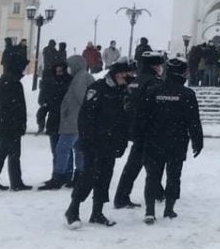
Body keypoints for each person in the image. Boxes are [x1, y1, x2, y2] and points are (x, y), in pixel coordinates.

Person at [65, 59, 134, 228]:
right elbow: (85, 118)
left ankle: (97, 212)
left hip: (111, 144)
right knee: (88, 177)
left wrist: (122, 142)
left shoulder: (123, 92)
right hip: (94, 143)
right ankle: (73, 210)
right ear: (118, 74)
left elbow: (125, 120)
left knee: (105, 177)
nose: (130, 78)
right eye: (127, 75)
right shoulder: (98, 89)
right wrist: (87, 140)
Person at [136, 58, 203, 224]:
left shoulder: (153, 91)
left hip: (154, 140)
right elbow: (193, 121)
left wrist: (140, 138)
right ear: (181, 73)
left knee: (152, 176)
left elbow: (142, 117)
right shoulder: (187, 94)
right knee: (174, 176)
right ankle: (169, 208)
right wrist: (197, 141)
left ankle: (150, 210)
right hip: (177, 142)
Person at [114, 51, 165, 209]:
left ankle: (157, 191)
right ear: (155, 66)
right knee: (144, 162)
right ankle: (123, 197)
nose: (161, 68)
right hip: (148, 128)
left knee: (140, 161)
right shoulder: (154, 83)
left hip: (134, 127)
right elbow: (156, 108)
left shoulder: (135, 80)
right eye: (159, 65)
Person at [38, 55, 94, 190]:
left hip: (73, 122)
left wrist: (72, 112)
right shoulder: (83, 76)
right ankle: (79, 176)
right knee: (78, 149)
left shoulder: (80, 78)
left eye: (70, 65)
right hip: (76, 121)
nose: (68, 69)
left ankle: (59, 177)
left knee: (62, 149)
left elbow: (83, 100)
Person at [0, 55, 31, 191]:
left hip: (6, 124)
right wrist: (19, 123)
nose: (24, 70)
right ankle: (15, 182)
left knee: (3, 152)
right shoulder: (12, 82)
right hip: (11, 125)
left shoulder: (6, 80)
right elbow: (14, 107)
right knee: (13, 154)